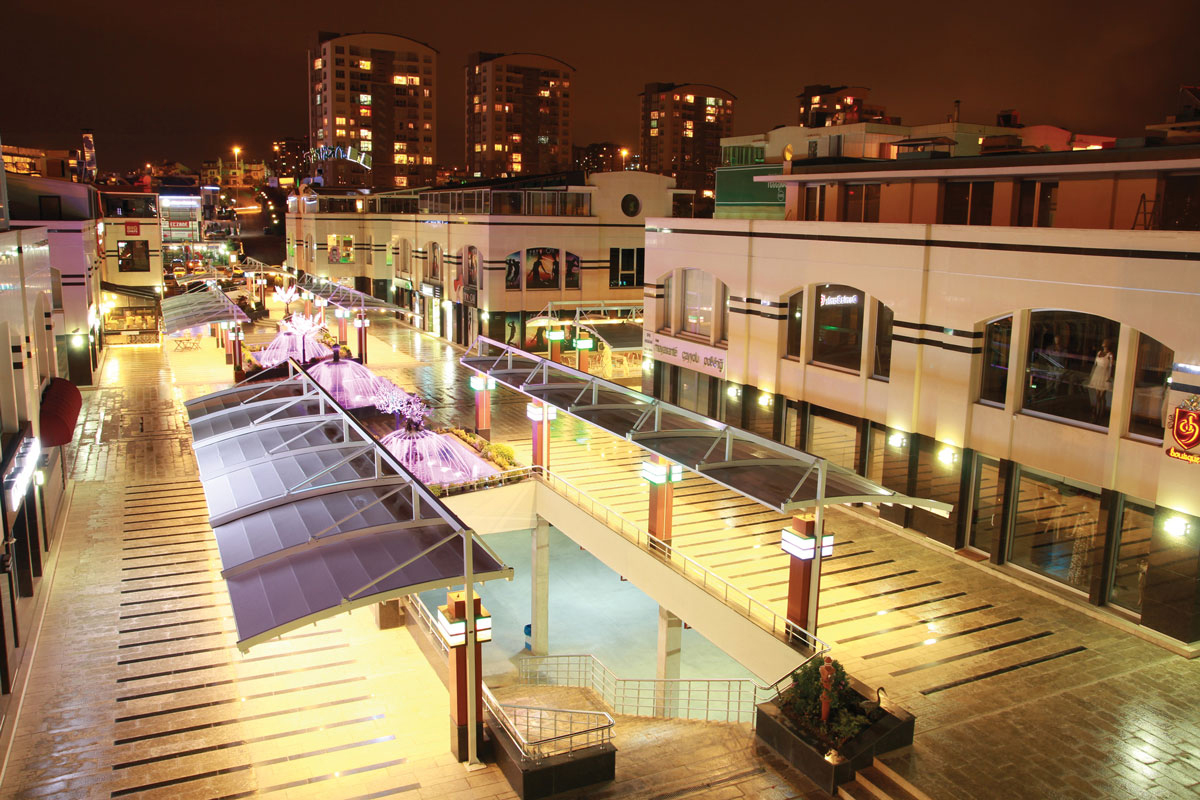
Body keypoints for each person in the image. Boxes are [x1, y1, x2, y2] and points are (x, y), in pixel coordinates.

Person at [1087, 338, 1115, 423]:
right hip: (1097, 374)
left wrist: (1109, 377)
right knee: (1097, 395)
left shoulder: (1110, 355)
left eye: (1106, 343)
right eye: (1103, 342)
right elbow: (1095, 365)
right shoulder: (1099, 353)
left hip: (1104, 375)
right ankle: (1096, 412)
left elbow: (1110, 367)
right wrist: (1091, 375)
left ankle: (1100, 413)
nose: (1104, 344)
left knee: (1101, 396)